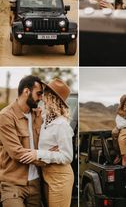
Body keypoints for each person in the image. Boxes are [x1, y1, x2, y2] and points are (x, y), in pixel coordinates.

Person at [19, 78, 74, 207]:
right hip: (46, 174)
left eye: (45, 94)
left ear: (53, 99)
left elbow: (67, 156)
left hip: (60, 177)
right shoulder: (45, 120)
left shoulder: (61, 124)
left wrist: (39, 154)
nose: (42, 97)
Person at [0, 75, 44, 207]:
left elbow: (45, 143)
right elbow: (16, 153)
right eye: (39, 93)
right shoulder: (6, 116)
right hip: (12, 185)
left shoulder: (37, 115)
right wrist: (47, 158)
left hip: (36, 184)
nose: (41, 98)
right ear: (26, 91)